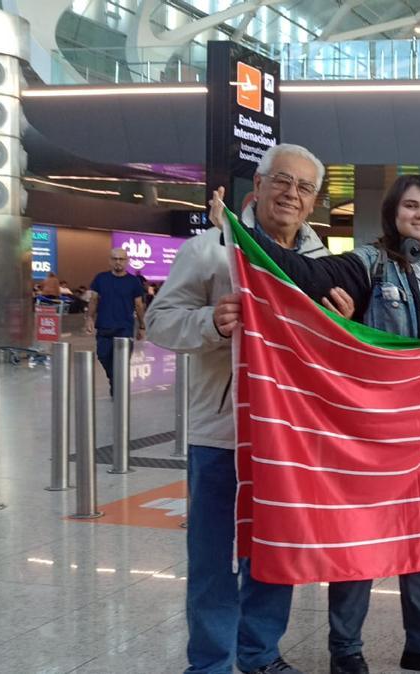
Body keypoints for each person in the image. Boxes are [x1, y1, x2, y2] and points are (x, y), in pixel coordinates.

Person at [214, 175, 420, 674]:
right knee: (359, 537)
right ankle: (347, 650)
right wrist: (241, 233)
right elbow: (301, 276)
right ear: (391, 214)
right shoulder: (367, 262)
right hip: (369, 431)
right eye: (410, 206)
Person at [147, 143, 350, 674]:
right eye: (281, 181)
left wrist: (344, 321)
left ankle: (260, 654)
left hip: (290, 436)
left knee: (273, 553)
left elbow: (333, 351)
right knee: (214, 558)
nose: (291, 194)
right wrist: (212, 323)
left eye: (304, 187)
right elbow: (161, 321)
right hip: (222, 433)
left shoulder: (321, 263)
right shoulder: (211, 248)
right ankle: (212, 662)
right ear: (256, 188)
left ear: (314, 203)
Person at [87, 248, 146, 394]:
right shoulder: (100, 278)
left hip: (124, 328)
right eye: (115, 259)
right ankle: (114, 380)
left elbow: (138, 304)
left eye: (121, 259)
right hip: (104, 327)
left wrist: (142, 326)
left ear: (126, 261)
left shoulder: (133, 281)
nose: (118, 262)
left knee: (122, 362)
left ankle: (118, 388)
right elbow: (94, 299)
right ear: (110, 260)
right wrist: (89, 318)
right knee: (103, 356)